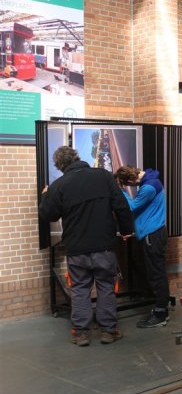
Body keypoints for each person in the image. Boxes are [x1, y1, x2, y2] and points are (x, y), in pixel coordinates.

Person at [39, 146, 134, 346]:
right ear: (77, 157)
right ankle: (109, 331)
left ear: (60, 166)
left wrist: (47, 195)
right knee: (106, 287)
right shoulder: (103, 177)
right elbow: (121, 206)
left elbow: (48, 215)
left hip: (76, 248)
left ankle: (81, 333)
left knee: (80, 289)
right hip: (104, 246)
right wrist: (126, 231)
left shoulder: (59, 185)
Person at [114, 165, 170, 328]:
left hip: (153, 236)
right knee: (155, 273)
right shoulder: (150, 181)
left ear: (131, 179)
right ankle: (160, 310)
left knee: (156, 275)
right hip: (151, 234)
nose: (131, 187)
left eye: (129, 185)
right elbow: (147, 212)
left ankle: (161, 314)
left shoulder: (149, 187)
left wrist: (121, 190)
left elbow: (131, 207)